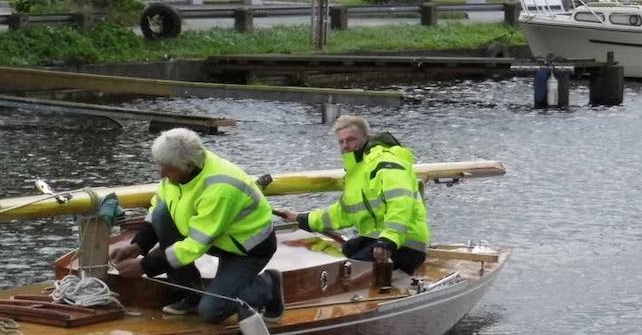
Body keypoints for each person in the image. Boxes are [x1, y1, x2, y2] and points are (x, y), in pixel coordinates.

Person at [108, 128, 284, 323]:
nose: (161, 174)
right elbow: (158, 206)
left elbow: (196, 245)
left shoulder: (220, 189)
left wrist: (144, 266)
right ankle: (190, 294)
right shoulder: (179, 171)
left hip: (247, 249)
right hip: (216, 239)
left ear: (189, 166)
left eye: (167, 168)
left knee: (211, 312)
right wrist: (138, 245)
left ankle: (268, 285)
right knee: (161, 213)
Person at [274, 114, 429, 277]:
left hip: (404, 243)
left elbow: (401, 204)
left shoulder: (384, 163)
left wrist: (388, 240)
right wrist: (301, 219)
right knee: (346, 250)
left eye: (351, 140)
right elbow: (343, 212)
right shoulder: (357, 171)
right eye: (341, 142)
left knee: (345, 273)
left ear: (366, 138)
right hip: (377, 239)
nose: (345, 145)